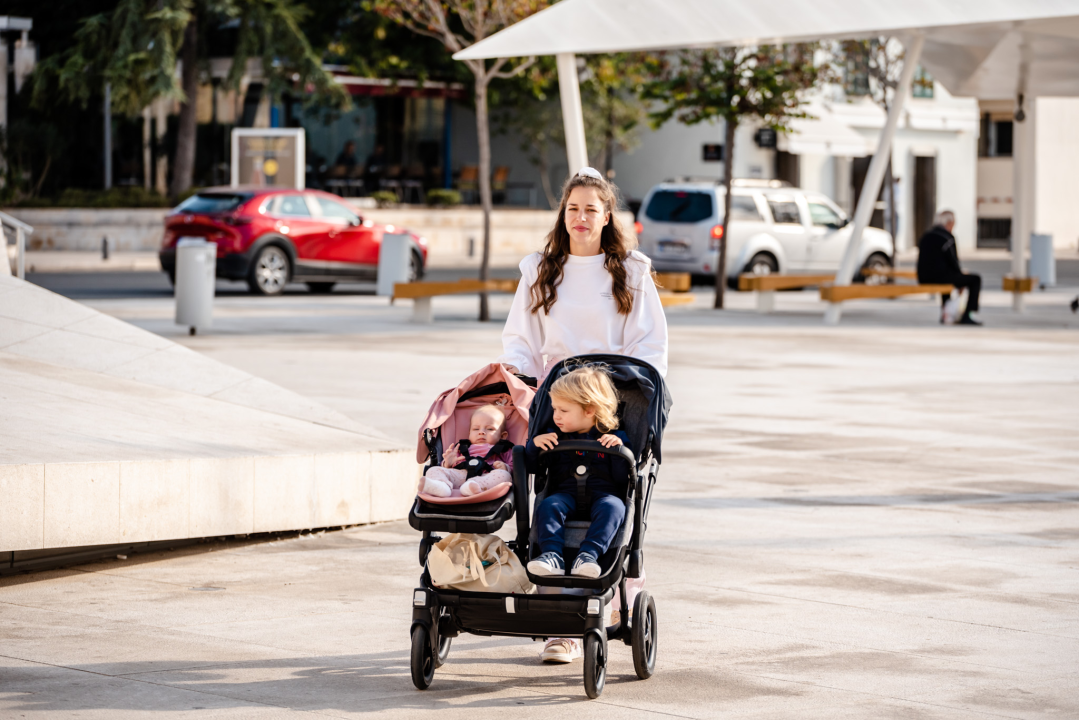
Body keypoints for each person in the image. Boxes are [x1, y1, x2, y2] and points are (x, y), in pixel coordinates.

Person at [498, 167, 668, 664]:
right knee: (553, 500)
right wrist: (520, 384)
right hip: (556, 401)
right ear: (563, 213)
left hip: (615, 402)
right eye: (573, 208)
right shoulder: (540, 269)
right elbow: (521, 338)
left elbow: (650, 344)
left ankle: (615, 598)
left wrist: (619, 391)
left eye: (591, 208)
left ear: (607, 215)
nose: (581, 217)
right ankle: (562, 626)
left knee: (614, 497)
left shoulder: (631, 270)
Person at [525, 366, 631, 579]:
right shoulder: (553, 436)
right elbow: (532, 469)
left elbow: (621, 479)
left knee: (615, 507)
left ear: (589, 410)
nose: (556, 416)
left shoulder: (613, 437)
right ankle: (552, 554)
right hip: (565, 495)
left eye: (563, 411)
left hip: (603, 495)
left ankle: (588, 555)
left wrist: (618, 451)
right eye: (554, 409)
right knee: (548, 505)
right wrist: (534, 446)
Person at [421, 405, 513, 498]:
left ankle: (472, 487)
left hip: (486, 478)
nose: (481, 432)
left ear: (502, 436)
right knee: (433, 470)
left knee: (505, 476)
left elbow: (515, 467)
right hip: (460, 476)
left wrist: (506, 468)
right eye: (476, 429)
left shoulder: (503, 449)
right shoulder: (462, 448)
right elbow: (448, 469)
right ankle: (442, 486)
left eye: (490, 429)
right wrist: (447, 464)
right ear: (469, 434)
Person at [917, 210, 982, 326]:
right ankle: (967, 315)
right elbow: (953, 262)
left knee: (947, 277)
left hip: (923, 277)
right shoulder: (947, 238)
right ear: (950, 223)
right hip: (940, 277)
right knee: (975, 279)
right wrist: (961, 281)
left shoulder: (926, 235)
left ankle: (945, 314)